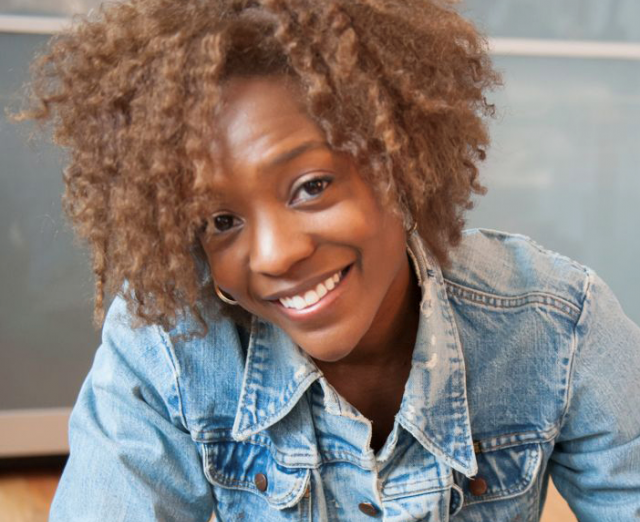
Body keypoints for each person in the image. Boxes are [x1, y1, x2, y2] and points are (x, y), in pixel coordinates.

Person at [18, 0, 640, 520]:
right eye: (220, 221)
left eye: (311, 186)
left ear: (399, 160)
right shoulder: (170, 347)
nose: (276, 253)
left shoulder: (559, 326)